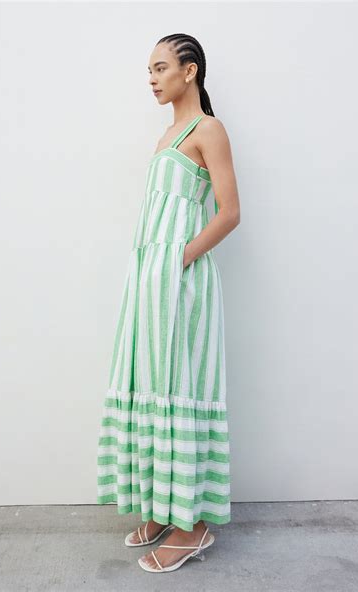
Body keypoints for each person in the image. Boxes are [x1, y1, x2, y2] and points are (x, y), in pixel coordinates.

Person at [96, 32, 241, 573]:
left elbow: (229, 212)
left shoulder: (208, 130)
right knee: (151, 384)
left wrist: (178, 259)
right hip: (149, 280)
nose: (152, 79)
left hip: (180, 282)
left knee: (178, 386)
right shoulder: (166, 136)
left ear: (190, 70)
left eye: (160, 67)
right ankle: (164, 508)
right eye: (149, 70)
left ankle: (192, 527)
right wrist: (151, 268)